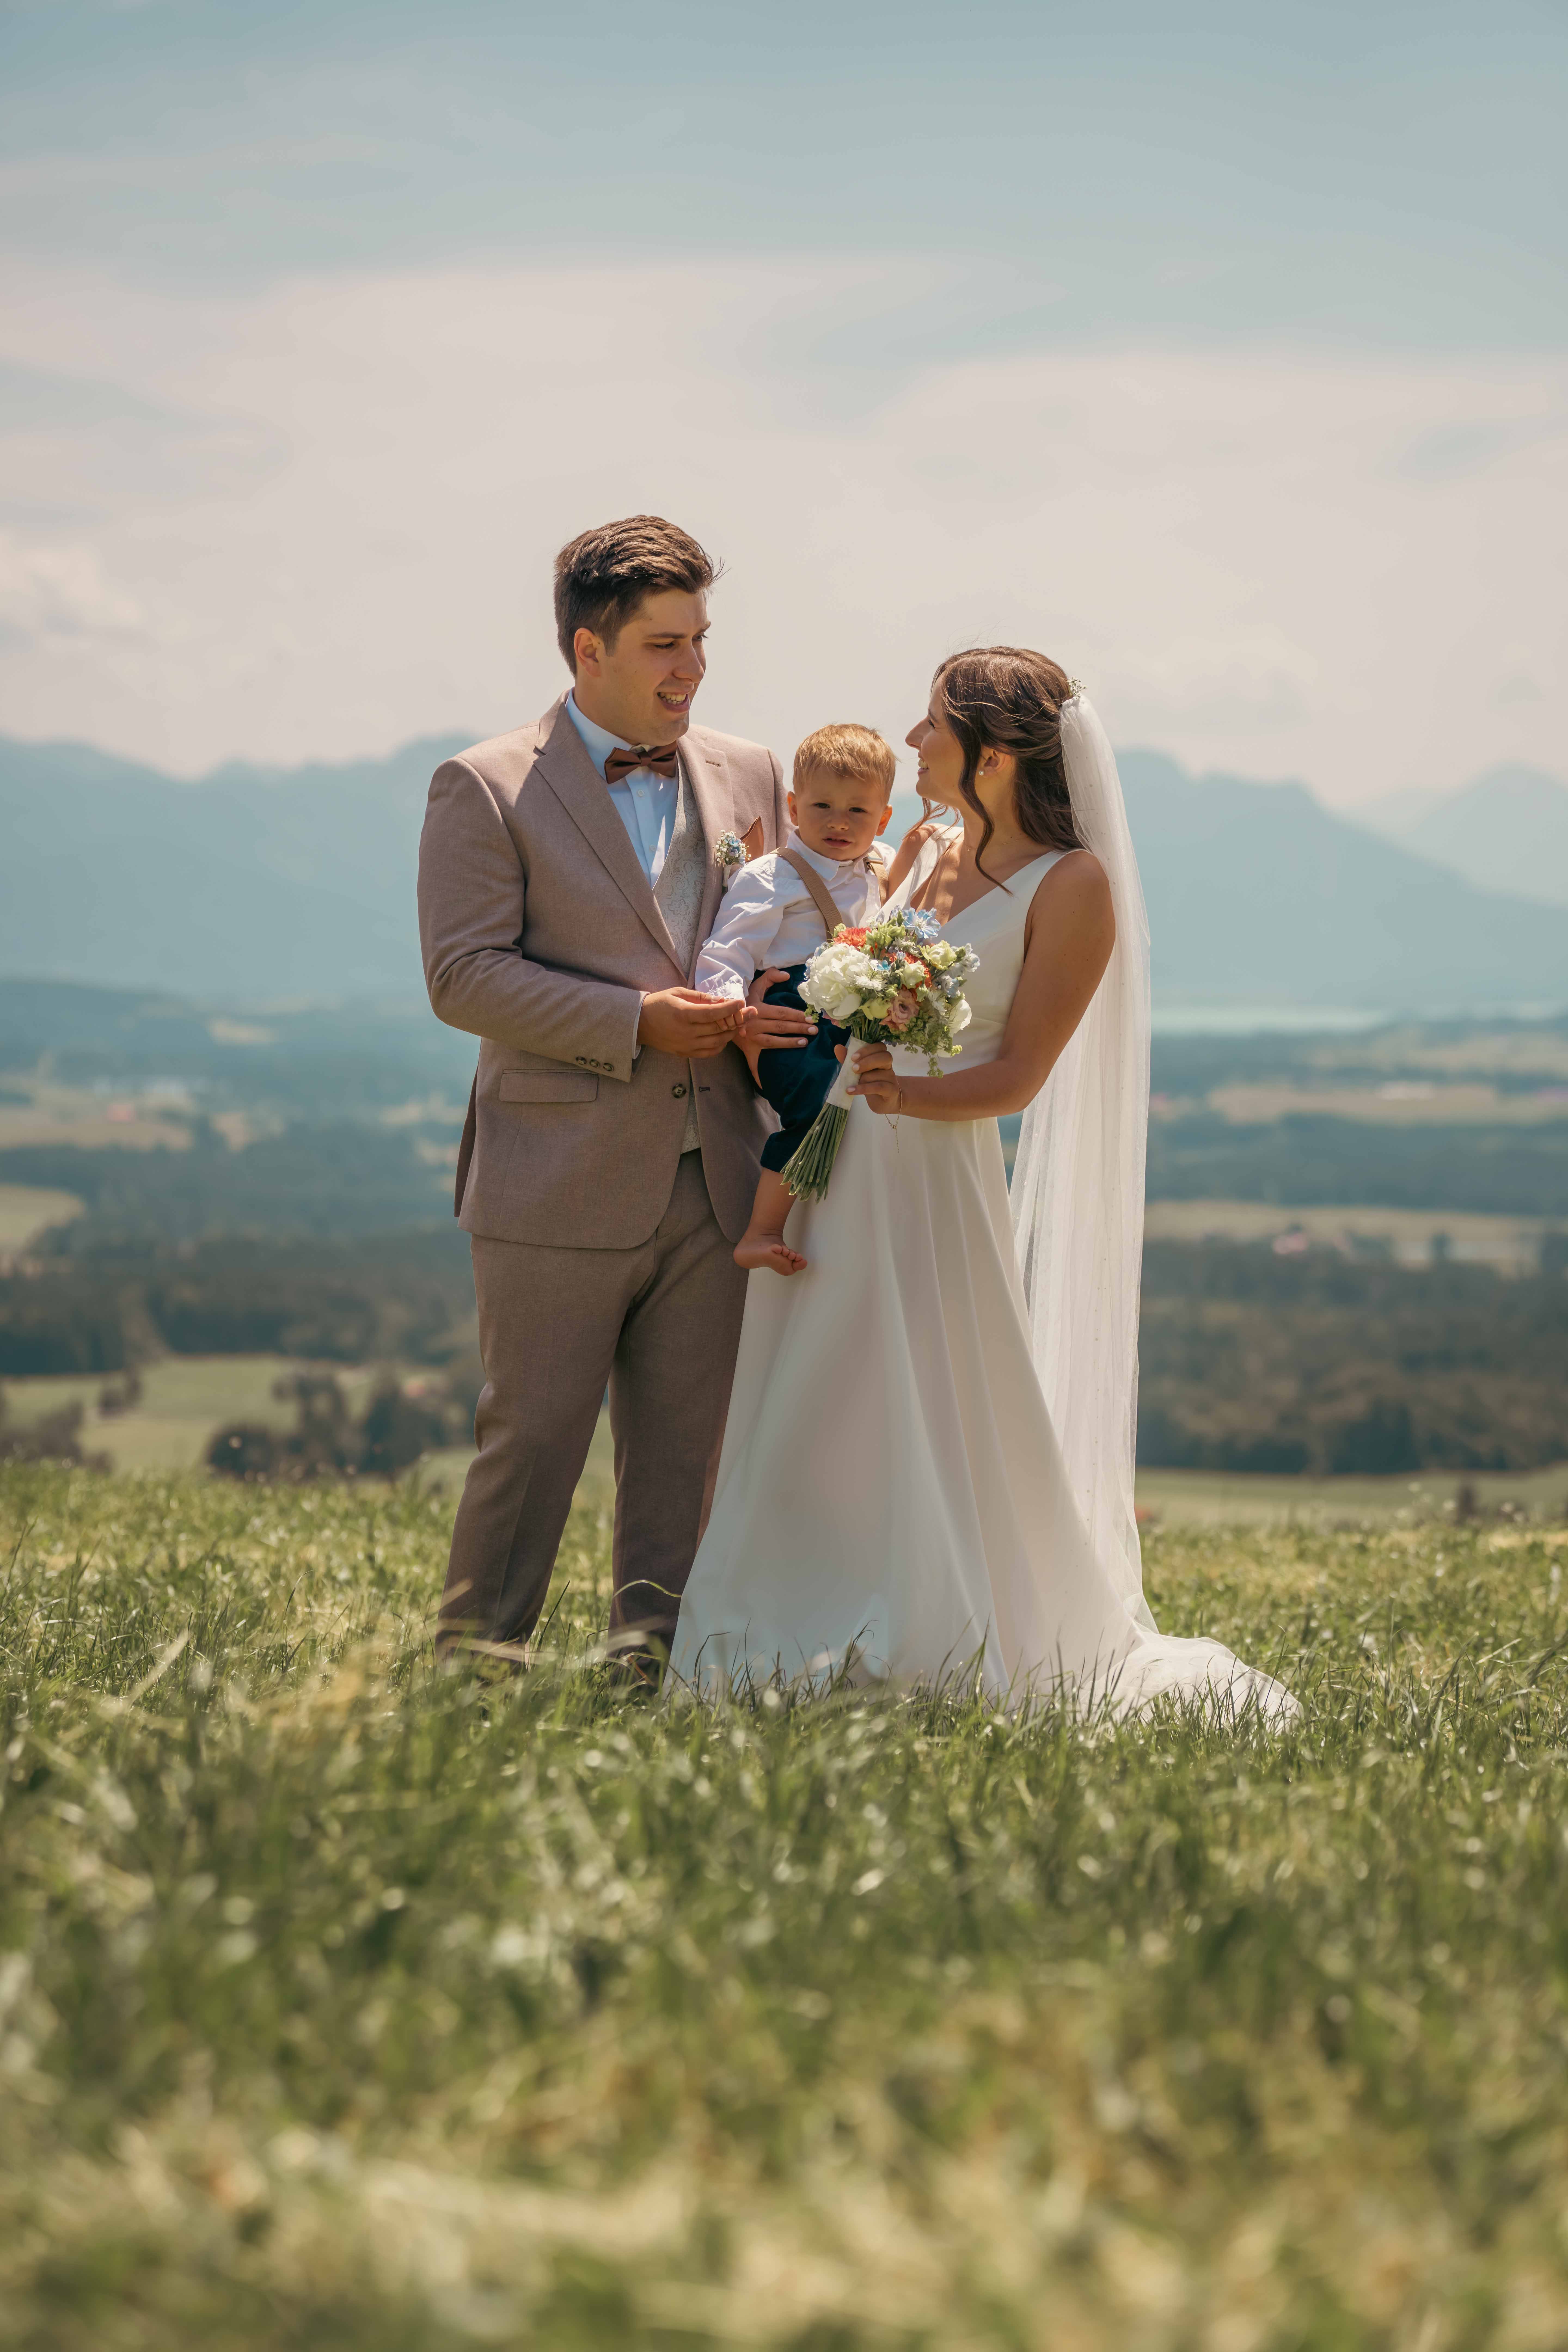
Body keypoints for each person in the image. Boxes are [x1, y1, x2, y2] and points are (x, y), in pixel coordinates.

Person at [668, 647, 1298, 1721]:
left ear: (994, 755)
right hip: (838, 1151)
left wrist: (903, 1096)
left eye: (933, 725)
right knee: (810, 1385)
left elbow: (1019, 1077)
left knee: (913, 1384)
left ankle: (925, 1624)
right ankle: (783, 1623)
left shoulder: (1076, 886)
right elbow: (849, 970)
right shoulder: (933, 850)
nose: (913, 740)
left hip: (932, 1168)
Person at [416, 514, 812, 1672]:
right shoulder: (485, 784)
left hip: (720, 1170)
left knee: (687, 1458)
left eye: (701, 640)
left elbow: (781, 932)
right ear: (589, 650)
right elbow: (461, 976)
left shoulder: (752, 772)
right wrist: (634, 1021)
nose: (693, 669)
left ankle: (653, 1676)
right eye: (664, 646)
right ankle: (472, 1675)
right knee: (532, 1443)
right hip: (557, 1175)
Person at [694, 722, 893, 1276]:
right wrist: (735, 1015)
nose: (838, 822)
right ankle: (761, 1232)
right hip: (792, 1015)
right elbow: (729, 950)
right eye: (822, 805)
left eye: (857, 811)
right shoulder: (772, 876)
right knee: (815, 1107)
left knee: (867, 1115)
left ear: (883, 819)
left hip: (855, 1017)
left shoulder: (882, 866)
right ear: (792, 806)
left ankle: (846, 1231)